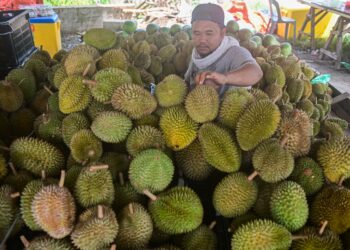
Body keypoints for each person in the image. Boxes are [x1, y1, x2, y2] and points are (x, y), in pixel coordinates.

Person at [185, 3, 263, 95]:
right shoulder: (196, 54)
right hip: (199, 106)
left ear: (222, 33)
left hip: (231, 107)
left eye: (209, 33)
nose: (202, 40)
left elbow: (256, 72)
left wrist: (225, 78)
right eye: (197, 33)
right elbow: (186, 82)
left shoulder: (235, 52)